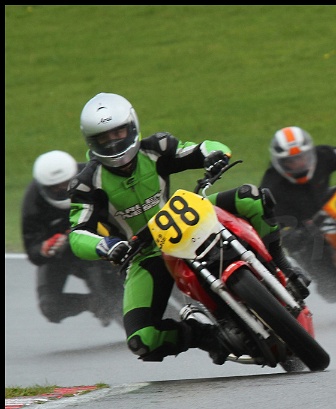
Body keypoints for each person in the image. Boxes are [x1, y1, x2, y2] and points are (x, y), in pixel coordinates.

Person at [68, 92, 308, 365]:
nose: (113, 142)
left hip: (188, 216)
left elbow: (202, 148)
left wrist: (215, 156)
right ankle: (206, 336)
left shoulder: (156, 147)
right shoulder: (86, 184)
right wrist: (106, 245)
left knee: (250, 196)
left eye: (119, 132)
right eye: (103, 138)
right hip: (145, 253)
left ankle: (284, 267)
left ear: (132, 126)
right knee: (142, 340)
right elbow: (77, 234)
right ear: (91, 141)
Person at [259, 126, 336, 302]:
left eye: (302, 158)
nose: (298, 164)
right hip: (303, 228)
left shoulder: (322, 155)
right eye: (291, 161)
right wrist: (289, 233)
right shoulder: (271, 187)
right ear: (280, 162)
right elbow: (269, 223)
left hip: (331, 209)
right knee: (314, 256)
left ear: (309, 152)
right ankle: (332, 281)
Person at [21, 150, 124, 327]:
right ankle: (94, 303)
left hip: (100, 241)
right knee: (50, 306)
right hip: (62, 254)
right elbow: (33, 250)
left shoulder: (94, 175)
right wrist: (44, 248)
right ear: (44, 187)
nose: (63, 189)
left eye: (67, 183)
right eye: (56, 187)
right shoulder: (32, 203)